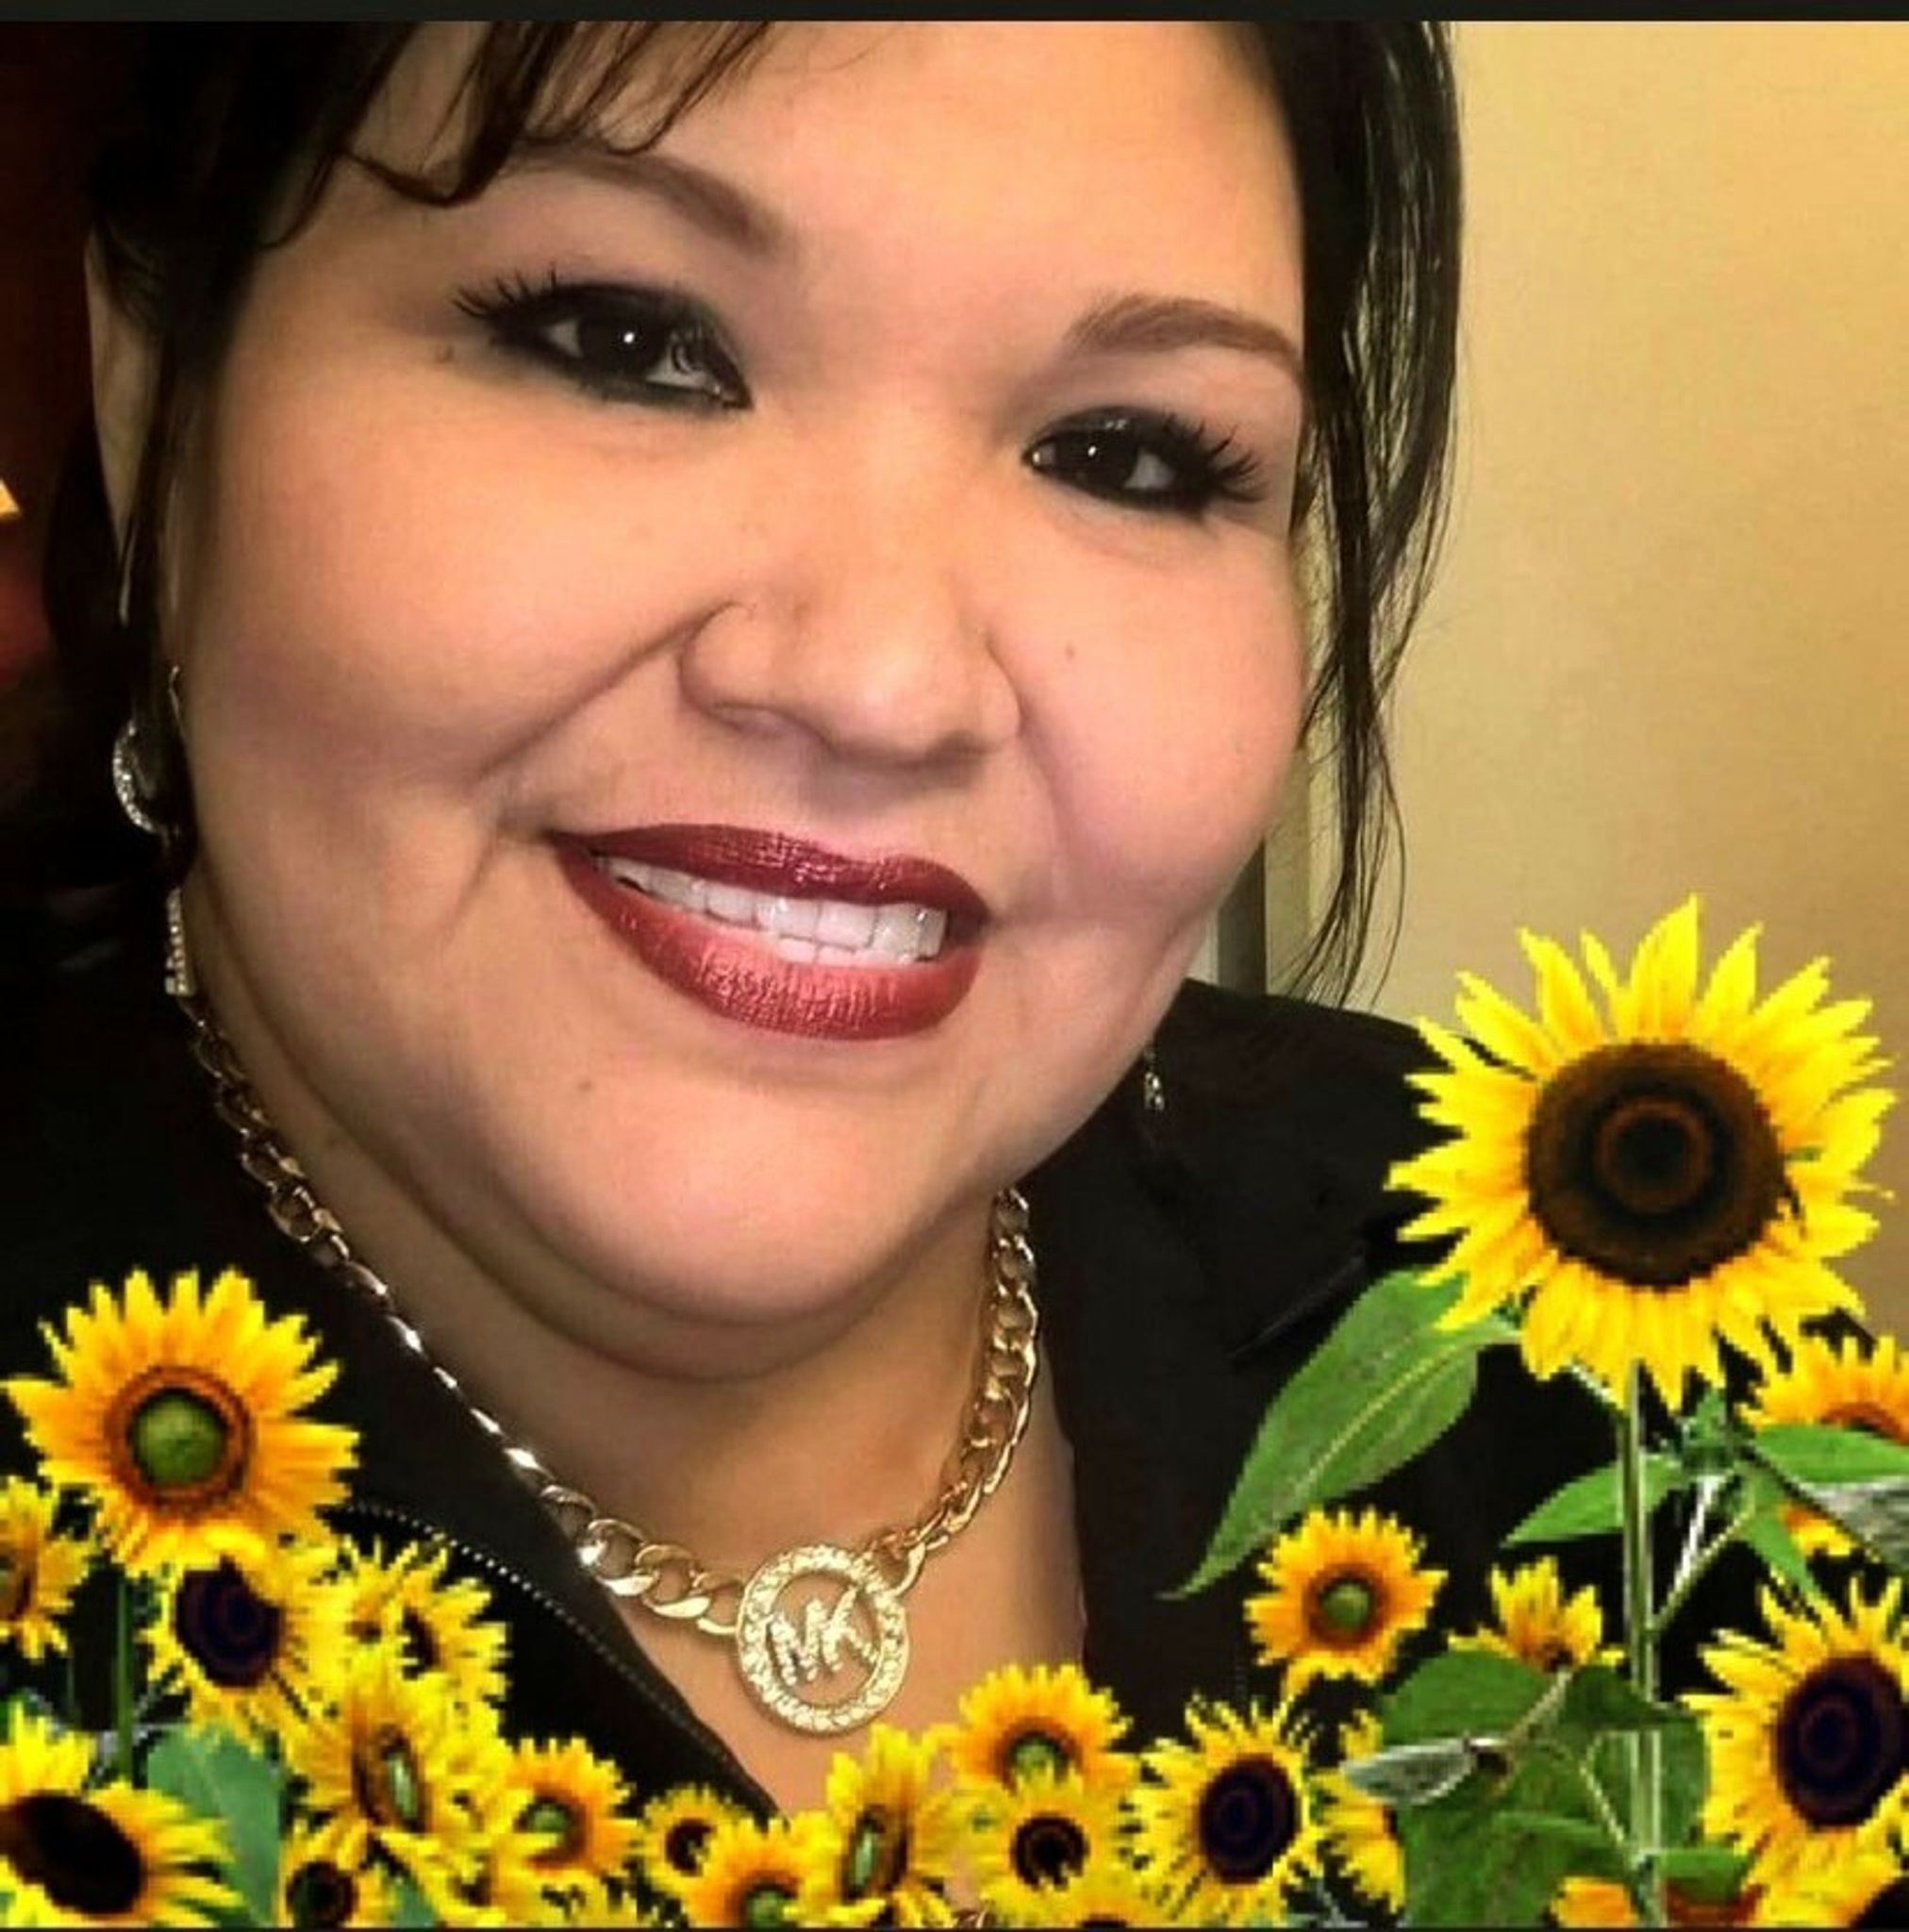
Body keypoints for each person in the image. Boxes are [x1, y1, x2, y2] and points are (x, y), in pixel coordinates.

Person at [4, 12, 1627, 1879]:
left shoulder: (1580, 1323)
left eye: (1126, 453)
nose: (883, 681)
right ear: (153, 401)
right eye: (625, 342)